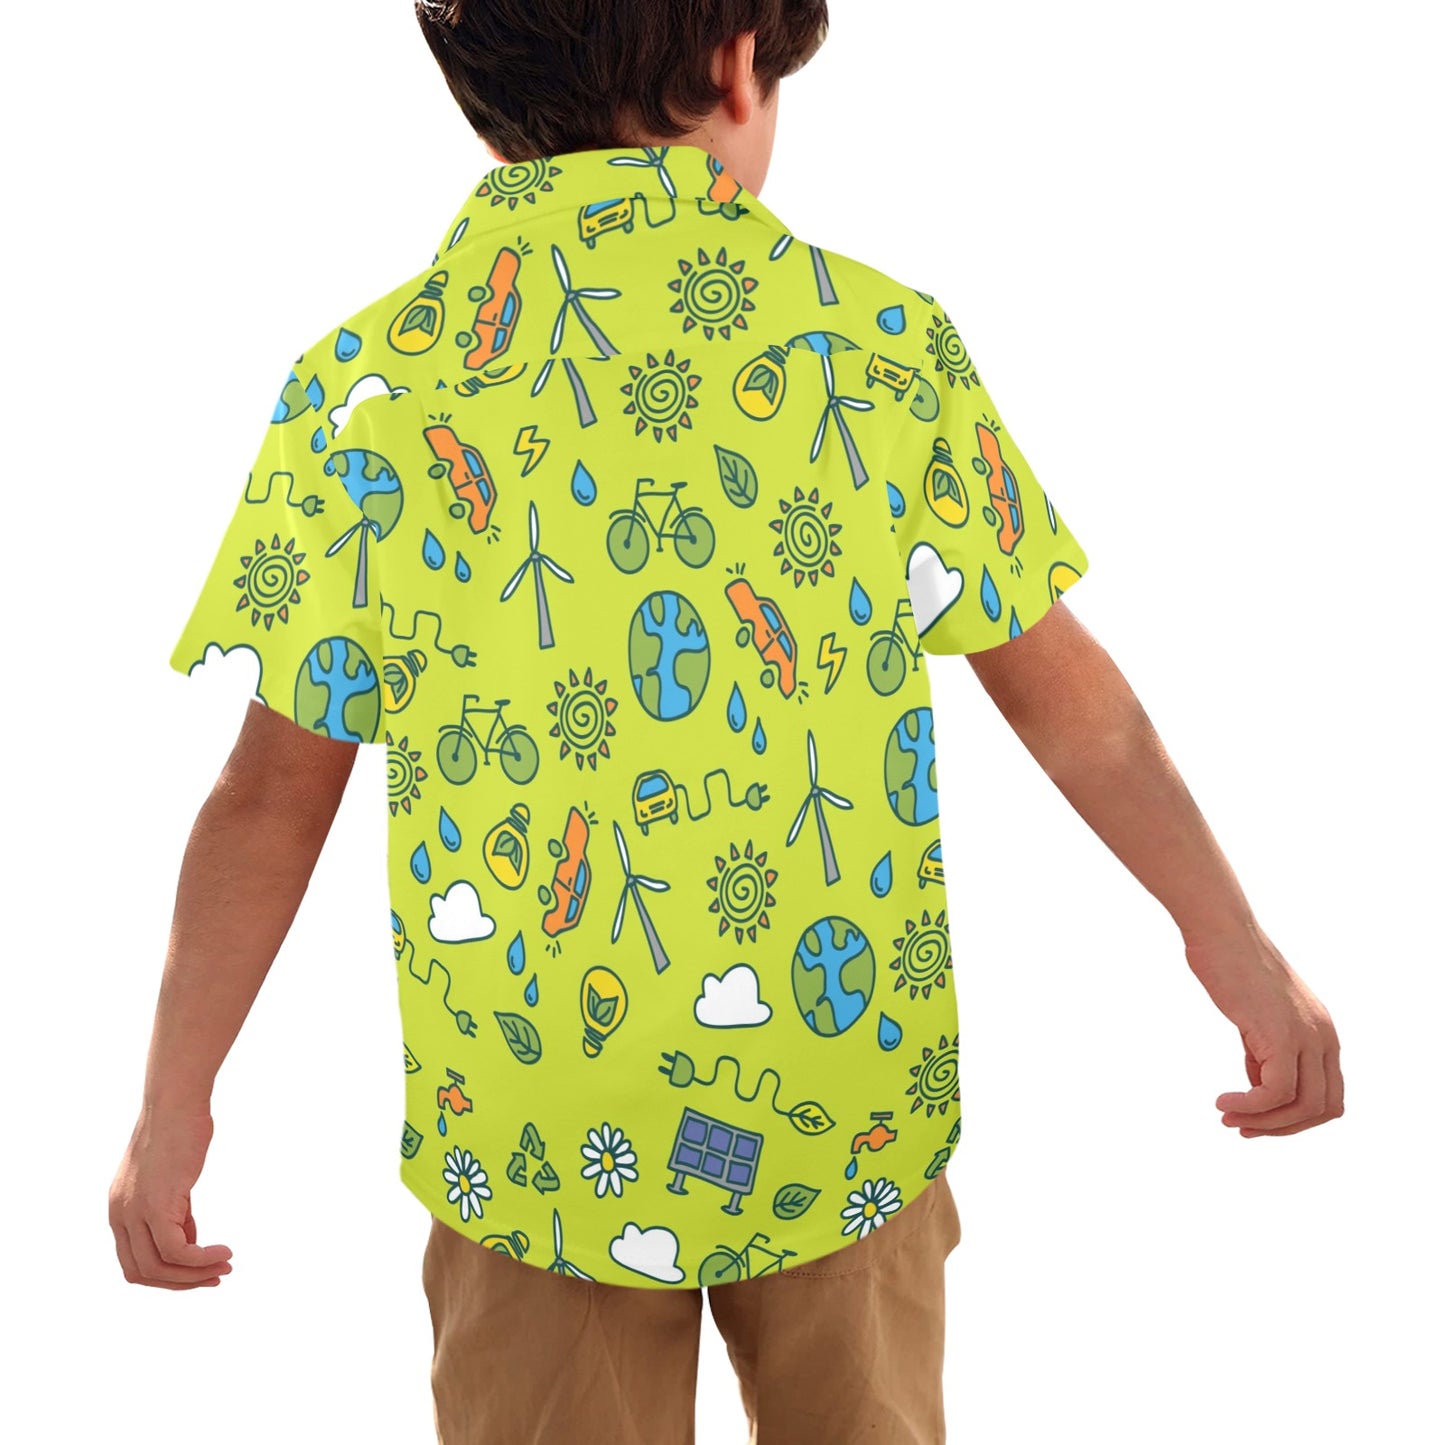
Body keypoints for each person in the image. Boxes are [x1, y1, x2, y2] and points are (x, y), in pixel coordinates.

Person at [109, 3, 1345, 1441]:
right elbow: (1075, 709)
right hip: (837, 1104)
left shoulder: (367, 395)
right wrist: (1232, 944)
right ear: (740, 65)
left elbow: (270, 795)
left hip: (539, 1135)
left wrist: (174, 1100)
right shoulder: (873, 348)